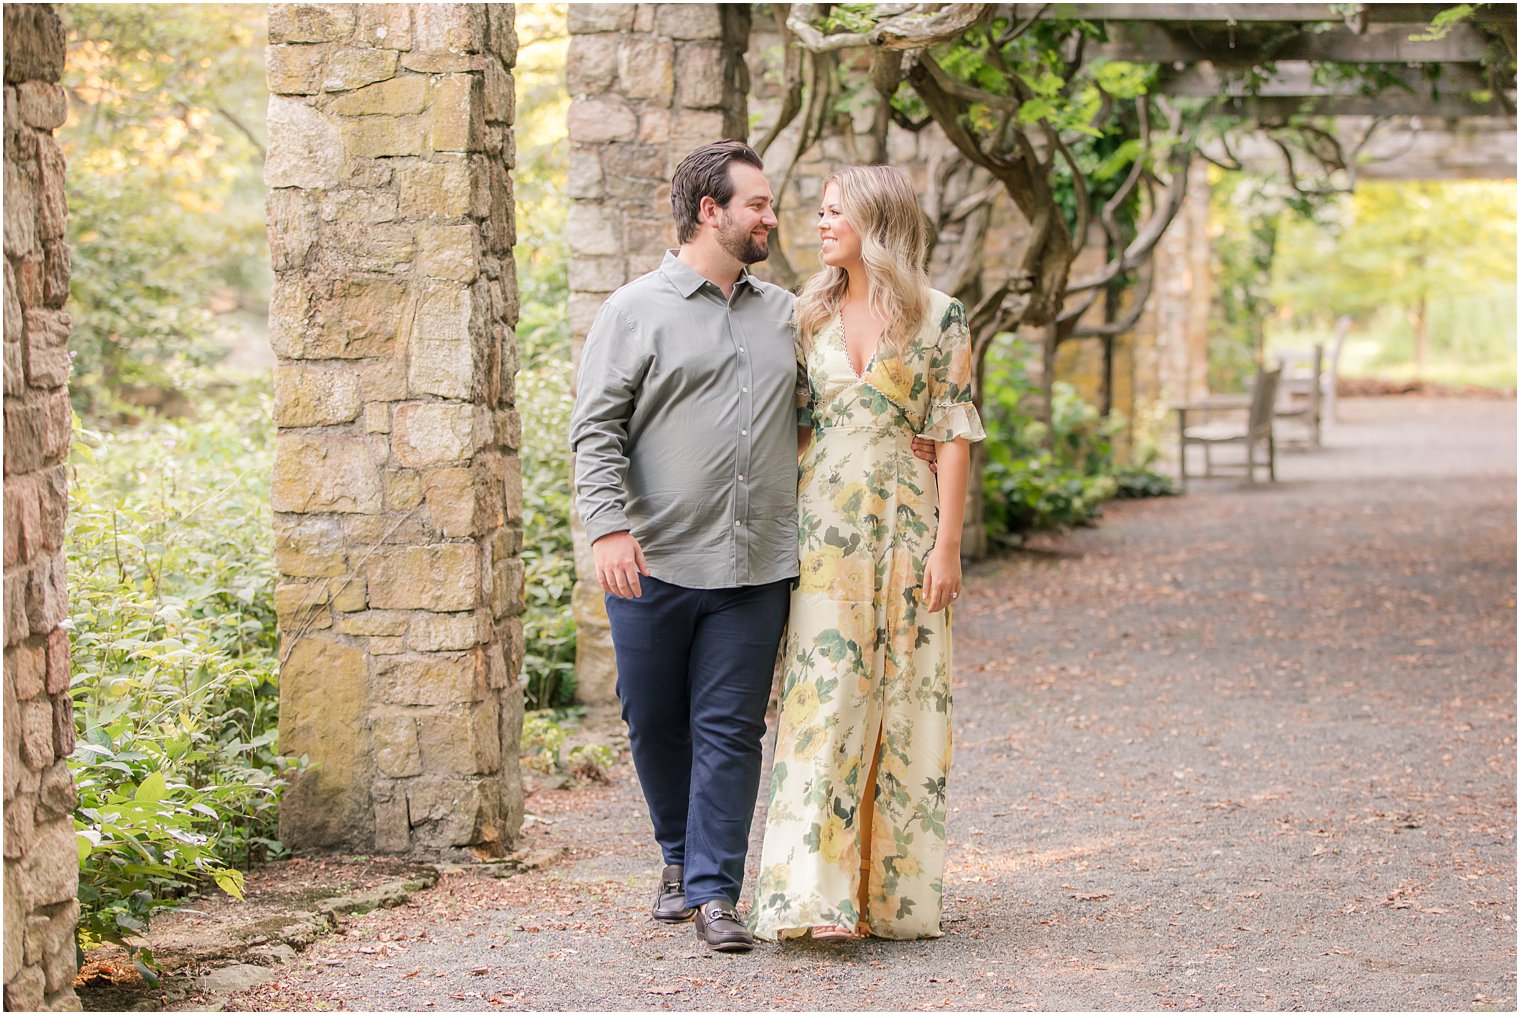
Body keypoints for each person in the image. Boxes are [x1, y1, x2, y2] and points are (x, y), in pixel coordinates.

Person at [569, 142, 936, 955]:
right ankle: (676, 857)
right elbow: (595, 430)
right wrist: (607, 526)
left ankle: (713, 892)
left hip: (759, 563)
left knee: (731, 727)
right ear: (712, 212)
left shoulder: (788, 314)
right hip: (653, 557)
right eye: (759, 204)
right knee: (652, 718)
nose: (775, 217)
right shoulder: (633, 310)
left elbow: (840, 401)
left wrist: (906, 442)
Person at [750, 164, 986, 943]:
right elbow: (799, 426)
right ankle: (812, 898)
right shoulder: (805, 316)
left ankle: (887, 895)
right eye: (818, 213)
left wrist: (947, 545)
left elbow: (951, 431)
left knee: (907, 700)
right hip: (823, 536)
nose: (818, 225)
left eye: (833, 213)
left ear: (876, 222)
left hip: (910, 527)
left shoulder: (941, 317)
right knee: (823, 703)